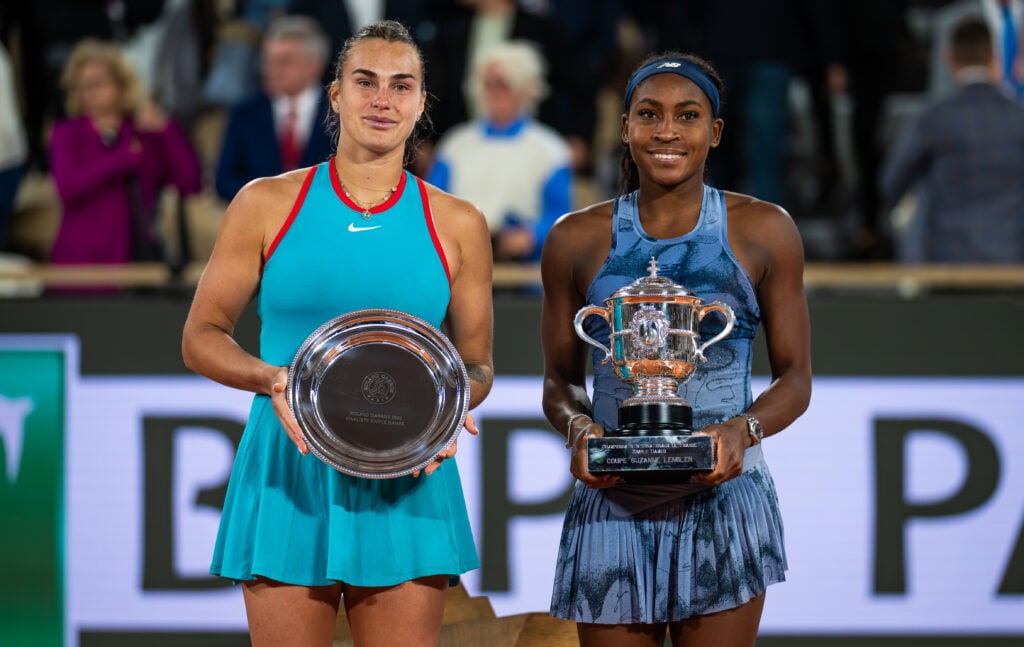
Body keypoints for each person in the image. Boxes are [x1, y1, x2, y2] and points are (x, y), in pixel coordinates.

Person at [181, 20, 494, 647]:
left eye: (401, 85)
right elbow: (201, 336)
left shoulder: (459, 222)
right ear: (334, 95)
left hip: (407, 474)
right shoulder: (266, 202)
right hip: (288, 467)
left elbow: (478, 365)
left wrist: (447, 404)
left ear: (421, 103)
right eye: (365, 82)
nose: (383, 99)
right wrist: (275, 378)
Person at [540, 52, 812, 647]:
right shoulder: (573, 238)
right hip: (611, 510)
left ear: (713, 133)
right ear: (625, 127)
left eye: (687, 116)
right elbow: (559, 385)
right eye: (649, 114)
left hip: (724, 506)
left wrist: (743, 431)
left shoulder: (765, 229)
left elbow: (795, 380)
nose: (667, 131)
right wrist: (580, 432)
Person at [880, 17, 1024, 263]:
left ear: (949, 59)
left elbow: (890, 182)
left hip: (949, 262)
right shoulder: (1018, 117)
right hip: (1012, 259)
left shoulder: (932, 118)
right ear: (994, 58)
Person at [48, 38, 201, 264]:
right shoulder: (67, 134)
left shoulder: (143, 136)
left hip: (134, 264)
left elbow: (191, 182)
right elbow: (68, 188)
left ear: (122, 85)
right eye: (82, 86)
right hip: (79, 265)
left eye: (98, 83)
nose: (89, 92)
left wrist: (167, 130)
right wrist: (122, 159)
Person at [427, 40, 572, 262]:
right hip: (459, 261)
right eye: (488, 84)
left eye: (504, 84)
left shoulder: (549, 149)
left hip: (523, 269)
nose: (495, 93)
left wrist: (531, 235)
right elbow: (431, 206)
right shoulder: (455, 145)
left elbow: (561, 215)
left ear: (526, 89)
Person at [214, 15, 333, 202]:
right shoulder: (245, 114)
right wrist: (270, 198)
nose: (272, 70)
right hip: (260, 220)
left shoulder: (340, 112)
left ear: (314, 65)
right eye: (268, 61)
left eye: (284, 61)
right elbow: (224, 181)